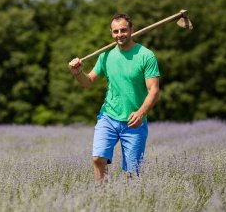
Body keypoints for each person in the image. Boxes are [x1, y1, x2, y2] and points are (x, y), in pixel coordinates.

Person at [68, 13, 160, 185]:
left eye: (124, 30)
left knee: (133, 173)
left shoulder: (146, 56)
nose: (120, 35)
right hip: (108, 116)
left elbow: (154, 91)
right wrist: (78, 73)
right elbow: (88, 83)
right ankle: (103, 198)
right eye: (116, 31)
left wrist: (141, 113)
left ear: (131, 29)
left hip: (135, 121)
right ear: (111, 32)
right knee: (98, 158)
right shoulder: (106, 55)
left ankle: (128, 202)